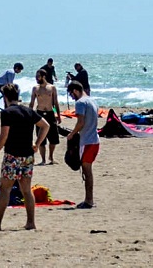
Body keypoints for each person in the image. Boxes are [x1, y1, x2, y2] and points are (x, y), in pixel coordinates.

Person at [0, 83, 49, 231]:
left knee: (5, 189)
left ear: (5, 97)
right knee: (26, 190)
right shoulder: (28, 111)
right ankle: (31, 222)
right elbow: (46, 125)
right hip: (27, 156)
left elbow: (4, 136)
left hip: (12, 155)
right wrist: (37, 143)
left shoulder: (7, 113)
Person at [66, 80, 99, 209]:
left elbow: (80, 122)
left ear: (75, 90)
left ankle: (89, 200)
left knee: (87, 171)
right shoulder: (92, 100)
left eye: (71, 94)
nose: (72, 97)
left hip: (87, 141)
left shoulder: (80, 103)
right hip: (95, 140)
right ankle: (89, 199)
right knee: (88, 171)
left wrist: (72, 134)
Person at [29, 68, 61, 165]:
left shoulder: (52, 88)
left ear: (43, 76)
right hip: (40, 113)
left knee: (54, 138)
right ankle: (43, 160)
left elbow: (55, 104)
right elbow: (32, 103)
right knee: (40, 137)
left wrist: (57, 114)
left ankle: (51, 157)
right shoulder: (35, 89)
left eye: (38, 76)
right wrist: (30, 115)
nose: (36, 78)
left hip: (51, 113)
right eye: (36, 77)